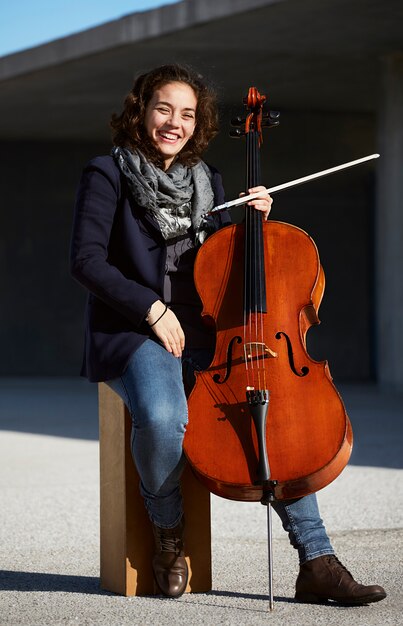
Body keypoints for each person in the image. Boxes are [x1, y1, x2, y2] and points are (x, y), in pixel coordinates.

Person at [70, 64, 386, 604]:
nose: (175, 122)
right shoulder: (108, 173)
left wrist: (254, 222)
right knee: (166, 418)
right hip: (135, 329)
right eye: (163, 108)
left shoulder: (209, 180)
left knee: (272, 418)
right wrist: (151, 309)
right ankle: (169, 537)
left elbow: (221, 262)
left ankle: (317, 561)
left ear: (199, 122)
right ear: (140, 110)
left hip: (211, 335)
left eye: (187, 113)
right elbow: (87, 262)